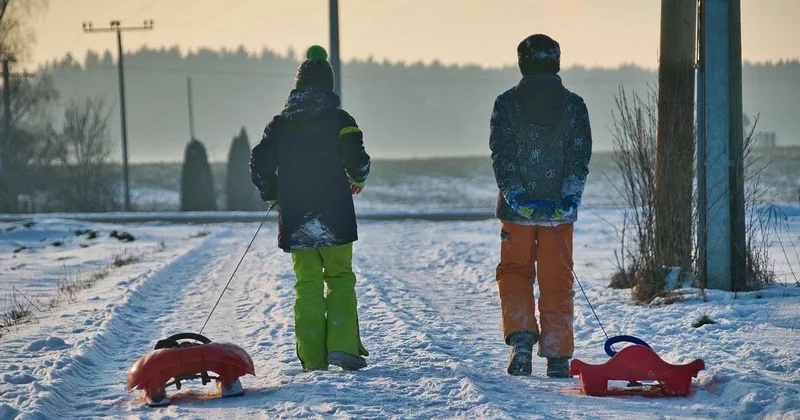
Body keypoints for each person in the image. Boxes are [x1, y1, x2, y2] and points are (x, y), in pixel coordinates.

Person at [250, 45, 371, 371]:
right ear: (328, 87)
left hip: (296, 217)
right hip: (335, 215)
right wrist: (357, 178)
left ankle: (313, 357)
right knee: (340, 278)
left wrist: (273, 194)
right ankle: (344, 348)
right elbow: (357, 161)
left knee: (307, 284)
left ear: (298, 86)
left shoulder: (279, 125)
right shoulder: (340, 120)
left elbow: (259, 162)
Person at [488, 34, 592, 377]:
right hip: (559, 214)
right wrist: (568, 197)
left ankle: (521, 342)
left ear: (522, 63)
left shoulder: (505, 104)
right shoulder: (574, 106)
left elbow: (502, 157)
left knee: (515, 272)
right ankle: (558, 355)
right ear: (557, 63)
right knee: (556, 279)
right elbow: (579, 158)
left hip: (518, 213)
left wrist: (516, 195)